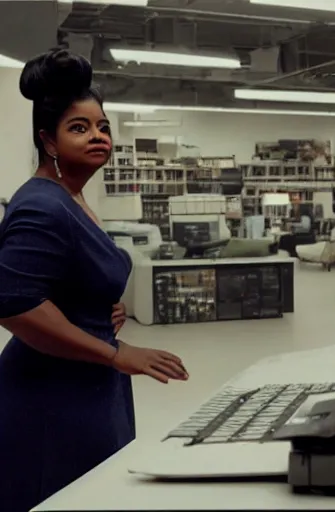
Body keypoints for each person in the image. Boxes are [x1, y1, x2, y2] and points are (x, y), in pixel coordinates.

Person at [0, 49, 190, 512]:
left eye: (103, 126)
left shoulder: (71, 197)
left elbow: (62, 280)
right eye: (79, 128)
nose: (98, 136)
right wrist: (115, 351)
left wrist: (100, 305)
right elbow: (14, 304)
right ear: (48, 140)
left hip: (86, 383)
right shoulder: (41, 204)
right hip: (52, 395)